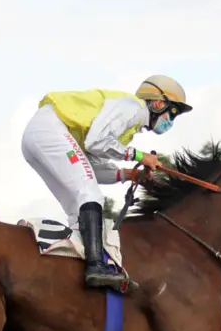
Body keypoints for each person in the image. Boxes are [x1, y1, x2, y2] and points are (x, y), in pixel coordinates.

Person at [20, 74, 192, 294]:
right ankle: (96, 266)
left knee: (77, 208)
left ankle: (74, 270)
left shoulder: (127, 127)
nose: (171, 122)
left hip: (38, 137)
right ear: (159, 103)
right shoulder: (132, 108)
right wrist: (141, 156)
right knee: (91, 194)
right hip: (49, 129)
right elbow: (96, 142)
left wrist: (128, 174)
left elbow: (90, 165)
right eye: (173, 113)